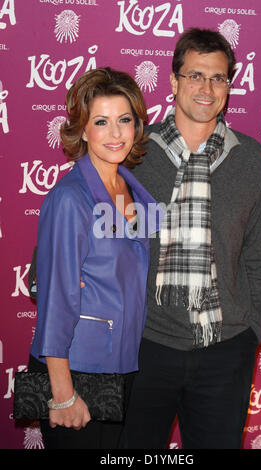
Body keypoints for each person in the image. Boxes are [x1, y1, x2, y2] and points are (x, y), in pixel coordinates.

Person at [119, 28, 261, 449]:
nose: (207, 88)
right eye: (195, 75)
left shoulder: (250, 158)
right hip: (143, 348)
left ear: (229, 85)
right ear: (173, 81)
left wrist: (251, 332)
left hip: (225, 352)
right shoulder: (133, 151)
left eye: (218, 78)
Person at [28, 67, 160, 449]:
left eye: (124, 120)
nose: (116, 133)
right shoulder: (70, 198)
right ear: (83, 130)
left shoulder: (135, 191)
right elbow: (56, 299)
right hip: (76, 370)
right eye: (101, 122)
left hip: (125, 364)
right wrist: (63, 393)